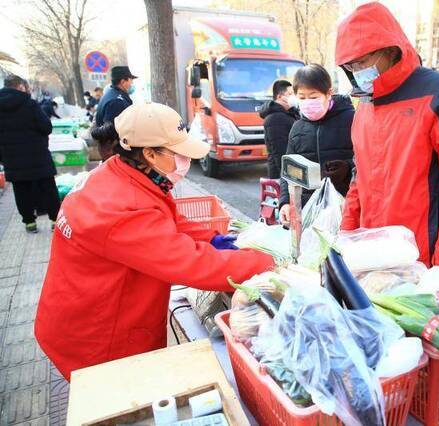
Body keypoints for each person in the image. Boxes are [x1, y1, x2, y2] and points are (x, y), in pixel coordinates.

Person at [34, 102, 275, 380]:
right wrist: (265, 263)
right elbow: (191, 264)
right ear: (148, 153)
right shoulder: (120, 209)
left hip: (80, 310)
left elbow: (167, 220)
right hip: (98, 335)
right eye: (179, 153)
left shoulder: (122, 172)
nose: (187, 161)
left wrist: (214, 239)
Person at [335, 2, 439, 267]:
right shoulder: (365, 103)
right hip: (371, 252)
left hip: (421, 256)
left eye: (363, 62)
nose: (357, 72)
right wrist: (346, 235)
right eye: (351, 65)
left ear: (390, 50)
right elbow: (359, 179)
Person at [279, 64, 355, 223]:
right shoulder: (297, 128)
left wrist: (347, 167)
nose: (307, 102)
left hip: (346, 208)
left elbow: (368, 162)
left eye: (313, 97)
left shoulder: (351, 120)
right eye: (302, 97)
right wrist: (285, 202)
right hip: (308, 210)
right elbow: (287, 170)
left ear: (329, 93)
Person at [0, 75, 60, 233]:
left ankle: (29, 223)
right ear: (20, 86)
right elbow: (46, 127)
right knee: (48, 187)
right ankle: (55, 220)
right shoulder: (29, 103)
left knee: (21, 190)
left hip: (12, 158)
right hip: (37, 155)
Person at [259, 79, 299, 179]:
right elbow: (280, 152)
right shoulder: (275, 119)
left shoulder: (289, 114)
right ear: (279, 97)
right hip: (281, 175)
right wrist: (289, 177)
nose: (293, 97)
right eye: (290, 94)